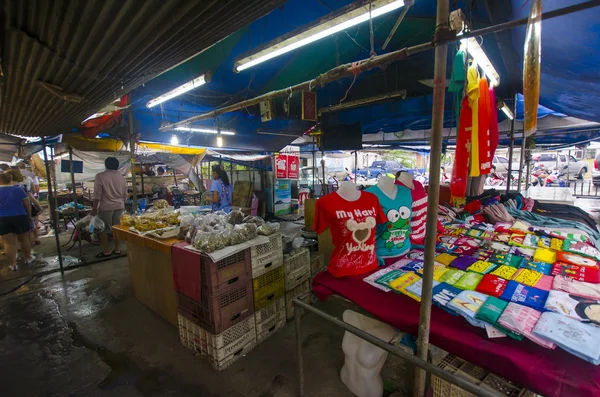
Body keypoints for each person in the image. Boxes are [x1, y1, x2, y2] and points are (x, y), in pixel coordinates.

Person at [91, 157, 127, 258]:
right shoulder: (121, 177)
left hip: (106, 207)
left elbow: (97, 194)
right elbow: (125, 194)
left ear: (106, 165)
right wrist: (122, 204)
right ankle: (117, 249)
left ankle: (106, 251)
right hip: (119, 206)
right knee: (117, 229)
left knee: (104, 230)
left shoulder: (100, 176)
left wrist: (94, 209)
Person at [0, 172, 35, 270]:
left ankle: (13, 264)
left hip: (2, 218)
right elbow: (27, 203)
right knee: (23, 239)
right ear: (10, 179)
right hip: (19, 216)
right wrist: (28, 215)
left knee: (8, 243)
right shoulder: (18, 189)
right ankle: (28, 258)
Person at [8, 167, 42, 246]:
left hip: (15, 210)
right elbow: (33, 192)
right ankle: (35, 240)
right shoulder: (26, 181)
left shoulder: (8, 186)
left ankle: (21, 246)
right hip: (26, 205)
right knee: (31, 224)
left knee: (19, 230)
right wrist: (38, 206)